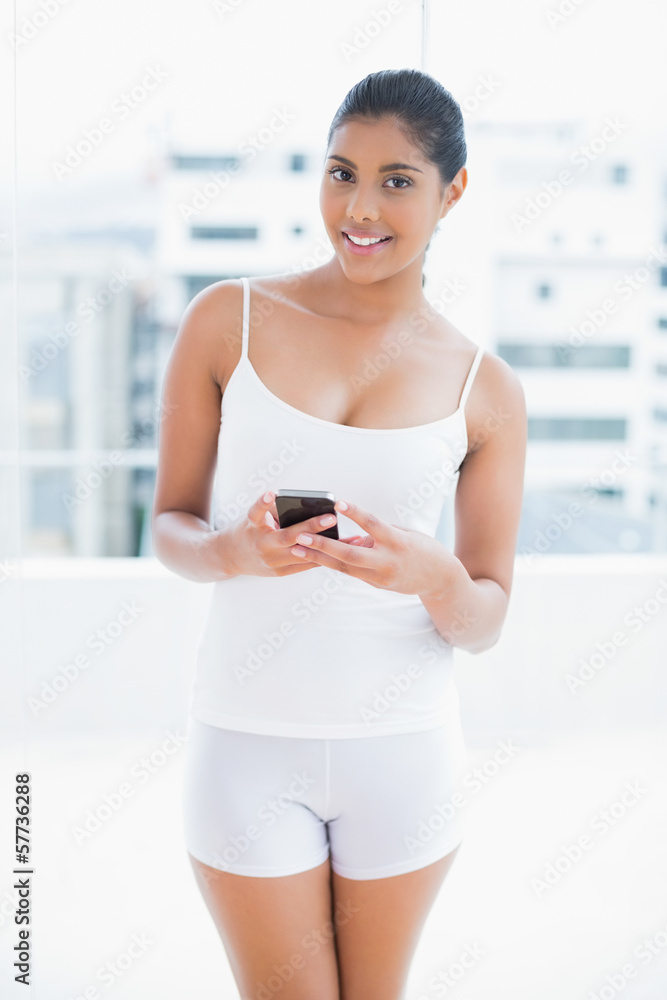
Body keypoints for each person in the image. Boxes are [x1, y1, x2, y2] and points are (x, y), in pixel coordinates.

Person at [152, 67, 526, 1000]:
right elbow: (166, 525)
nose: (359, 207)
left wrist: (432, 576)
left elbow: (484, 616)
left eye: (397, 180)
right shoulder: (226, 320)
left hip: (402, 754)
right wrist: (230, 552)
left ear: (454, 192)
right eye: (339, 172)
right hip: (245, 745)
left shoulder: (486, 389)